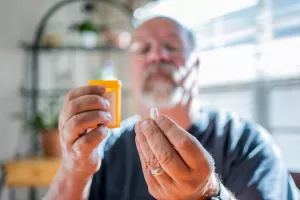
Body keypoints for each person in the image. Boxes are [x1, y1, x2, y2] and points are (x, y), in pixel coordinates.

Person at [45, 16, 300, 200]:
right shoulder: (105, 146)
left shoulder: (247, 145)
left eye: (171, 46)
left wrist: (209, 195)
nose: (157, 56)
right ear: (130, 68)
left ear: (196, 65)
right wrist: (74, 169)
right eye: (143, 48)